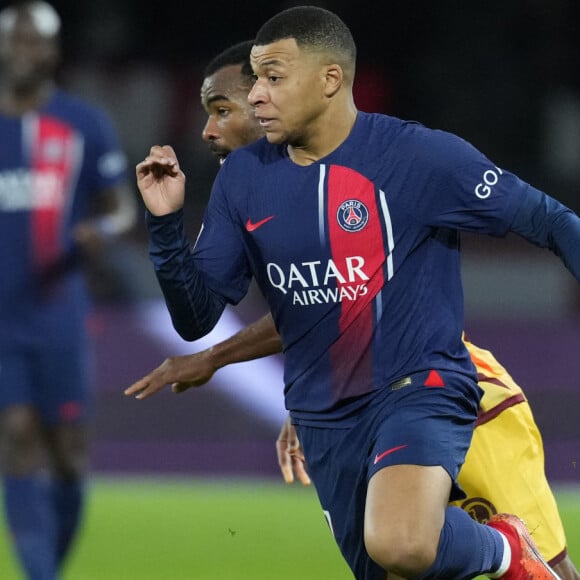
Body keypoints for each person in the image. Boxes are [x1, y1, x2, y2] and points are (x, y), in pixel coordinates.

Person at [133, 6, 580, 579]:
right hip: (325, 417)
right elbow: (196, 315)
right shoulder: (243, 180)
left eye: (272, 78)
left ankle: (504, 550)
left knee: (401, 542)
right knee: (394, 561)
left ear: (330, 79)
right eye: (256, 79)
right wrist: (165, 226)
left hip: (423, 385)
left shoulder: (417, 156)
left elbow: (548, 218)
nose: (258, 96)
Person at [0, 2, 136, 579]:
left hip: (61, 316)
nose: (27, 52)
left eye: (38, 42)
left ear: (54, 52)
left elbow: (121, 205)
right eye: (17, 40)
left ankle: (45, 569)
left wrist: (99, 230)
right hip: (3, 319)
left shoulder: (83, 123)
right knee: (17, 433)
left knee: (69, 453)